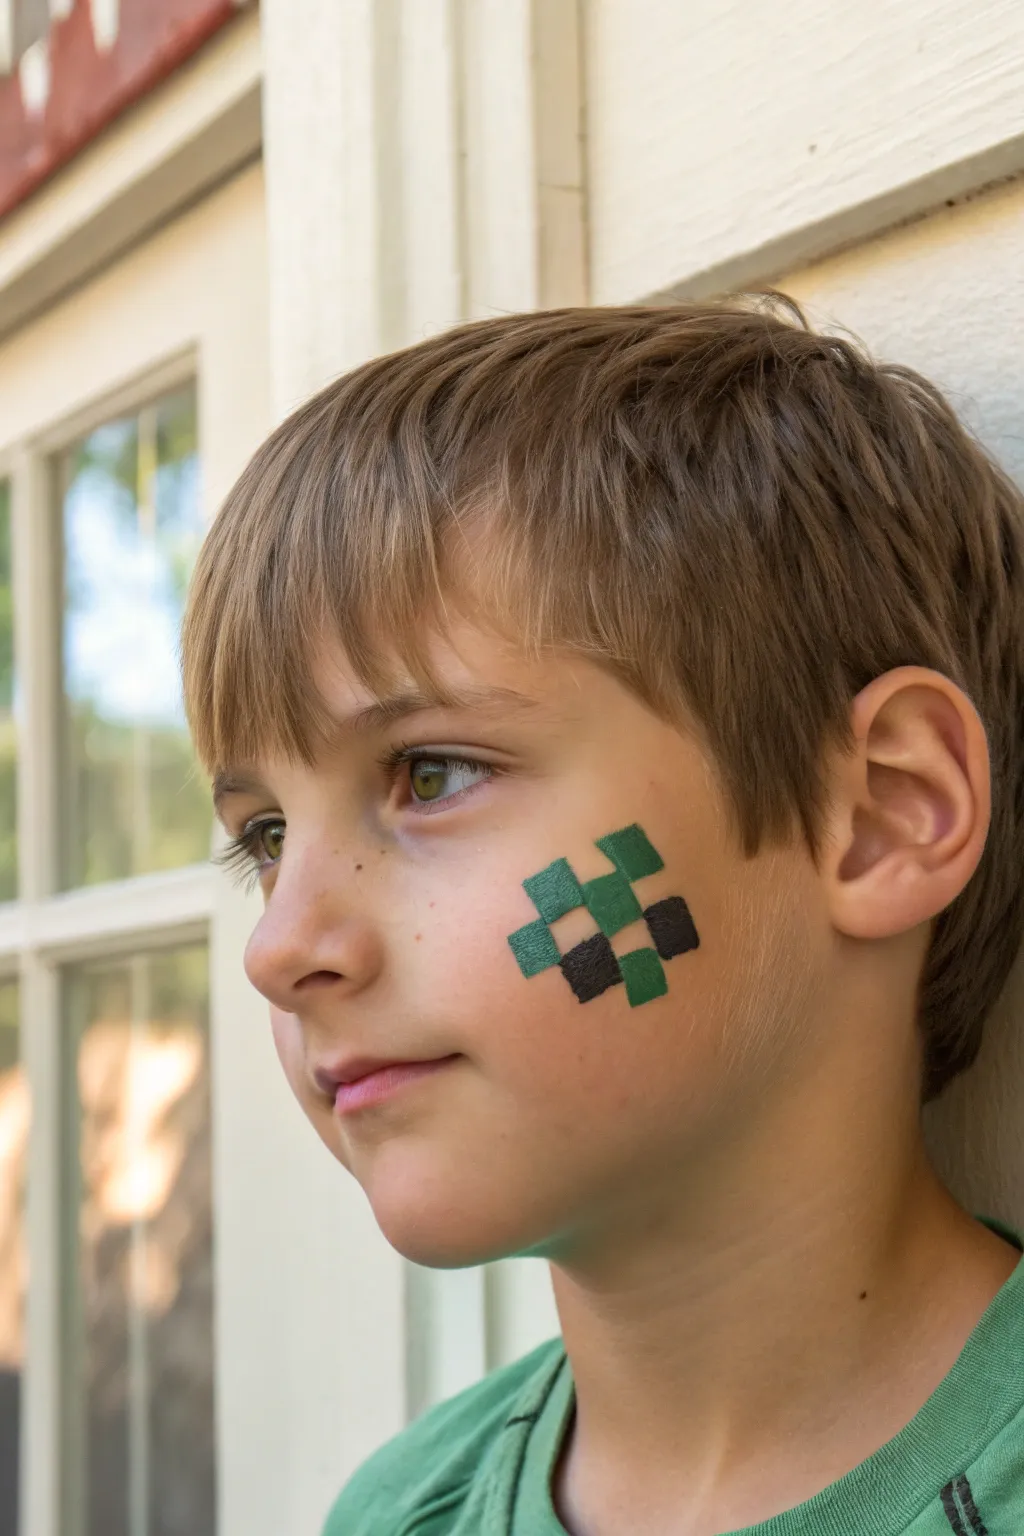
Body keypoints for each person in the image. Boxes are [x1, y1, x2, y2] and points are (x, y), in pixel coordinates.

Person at [181, 298, 1024, 1535]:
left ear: (881, 814)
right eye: (265, 837)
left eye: (433, 774)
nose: (280, 947)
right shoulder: (402, 1514)